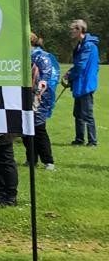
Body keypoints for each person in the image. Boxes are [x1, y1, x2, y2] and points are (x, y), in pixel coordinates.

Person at [65, 19, 99, 147]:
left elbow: (81, 65)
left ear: (80, 30)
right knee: (78, 113)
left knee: (87, 114)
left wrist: (71, 76)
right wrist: (70, 72)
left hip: (86, 84)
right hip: (81, 83)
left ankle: (92, 141)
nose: (71, 31)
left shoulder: (88, 46)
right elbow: (78, 65)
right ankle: (79, 139)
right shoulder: (81, 45)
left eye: (72, 29)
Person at [27, 33, 58, 170]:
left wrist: (39, 93)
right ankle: (31, 159)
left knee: (39, 128)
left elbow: (46, 76)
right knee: (26, 129)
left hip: (40, 96)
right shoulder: (24, 56)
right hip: (26, 94)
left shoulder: (41, 56)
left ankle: (48, 161)